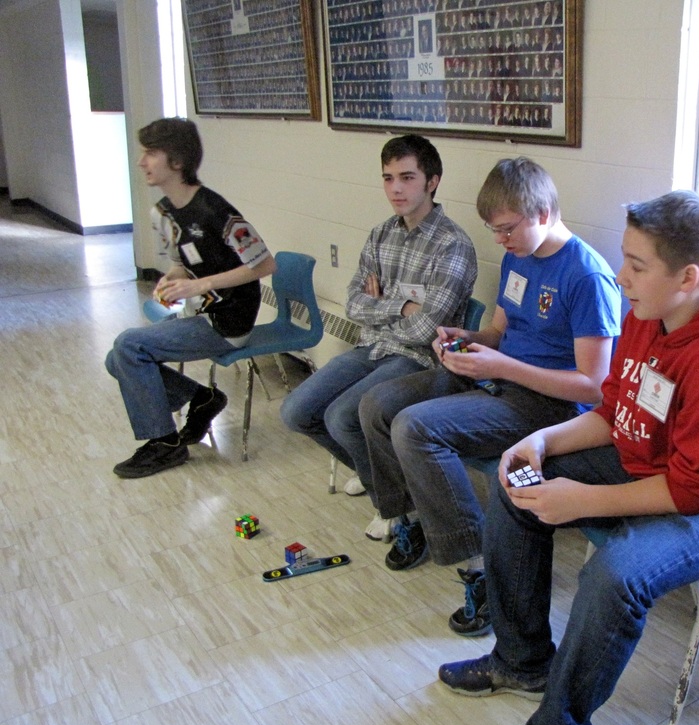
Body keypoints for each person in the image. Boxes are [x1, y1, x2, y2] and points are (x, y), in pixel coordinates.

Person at [437, 190, 699, 725]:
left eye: (636, 265)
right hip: (656, 462)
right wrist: (541, 441)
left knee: (616, 576)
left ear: (688, 278)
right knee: (518, 488)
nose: (620, 275)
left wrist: (584, 499)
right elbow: (614, 414)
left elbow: (694, 490)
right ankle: (521, 662)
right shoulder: (647, 315)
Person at [359, 157, 621, 636]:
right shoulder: (519, 254)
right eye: (493, 230)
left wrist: (500, 366)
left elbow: (594, 387)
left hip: (550, 407)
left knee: (414, 428)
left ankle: (481, 569)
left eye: (506, 229)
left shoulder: (586, 276)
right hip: (499, 380)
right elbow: (498, 331)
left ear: (542, 213)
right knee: (377, 404)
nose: (500, 240)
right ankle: (412, 516)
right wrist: (467, 339)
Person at [279, 134, 477, 541]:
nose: (395, 189)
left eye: (407, 177)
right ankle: (379, 475)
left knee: (342, 417)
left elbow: (425, 331)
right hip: (372, 347)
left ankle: (398, 508)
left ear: (432, 182)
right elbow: (353, 304)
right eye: (388, 178)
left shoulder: (452, 245)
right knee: (296, 411)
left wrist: (382, 304)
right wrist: (400, 306)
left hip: (420, 359)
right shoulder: (381, 234)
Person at [106, 117, 276, 479]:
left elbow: (264, 264)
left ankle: (165, 443)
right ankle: (201, 398)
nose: (141, 162)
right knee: (116, 358)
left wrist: (201, 286)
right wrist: (172, 279)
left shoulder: (217, 211)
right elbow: (181, 264)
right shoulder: (162, 213)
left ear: (178, 161)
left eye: (151, 153)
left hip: (228, 321)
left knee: (128, 346)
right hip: (198, 315)